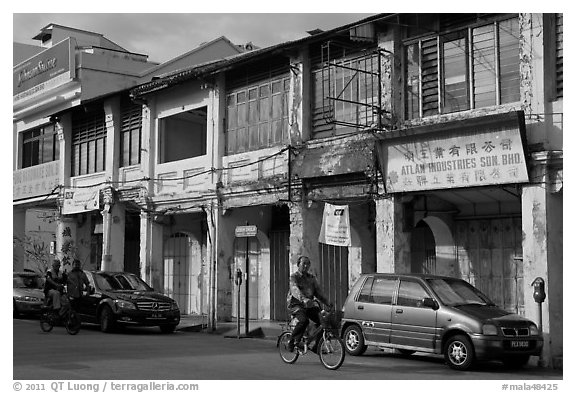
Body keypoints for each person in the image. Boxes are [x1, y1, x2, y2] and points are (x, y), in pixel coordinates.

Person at [286, 256, 331, 352]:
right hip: (296, 305)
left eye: (308, 264)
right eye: (304, 264)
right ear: (298, 265)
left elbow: (318, 293)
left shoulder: (311, 278)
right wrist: (304, 299)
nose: (306, 266)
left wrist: (327, 302)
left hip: (309, 305)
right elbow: (295, 290)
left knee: (322, 321)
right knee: (304, 320)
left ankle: (316, 344)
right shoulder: (294, 277)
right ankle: (292, 341)